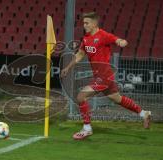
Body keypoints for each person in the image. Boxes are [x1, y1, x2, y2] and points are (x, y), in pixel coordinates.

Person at [60, 12, 151, 140]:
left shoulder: (103, 35)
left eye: (87, 23)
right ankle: (143, 113)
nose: (84, 25)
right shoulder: (86, 38)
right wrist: (68, 67)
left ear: (94, 23)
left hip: (104, 76)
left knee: (81, 96)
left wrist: (121, 41)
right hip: (102, 76)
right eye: (83, 23)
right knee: (117, 99)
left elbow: (115, 39)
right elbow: (80, 54)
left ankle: (87, 129)